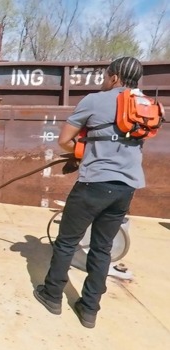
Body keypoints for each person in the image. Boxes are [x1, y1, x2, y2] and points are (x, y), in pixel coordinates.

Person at [33, 57, 145, 329]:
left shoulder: (96, 100)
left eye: (107, 75)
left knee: (67, 242)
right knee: (102, 248)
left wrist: (82, 152)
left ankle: (52, 295)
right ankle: (89, 309)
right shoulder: (145, 105)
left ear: (115, 77)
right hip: (126, 187)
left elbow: (64, 140)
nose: (104, 80)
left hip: (95, 183)